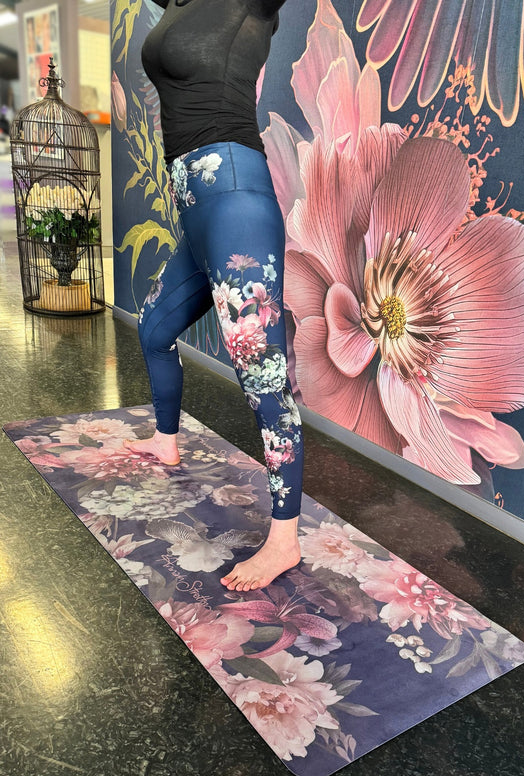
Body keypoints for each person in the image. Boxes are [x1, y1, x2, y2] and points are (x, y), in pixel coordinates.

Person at [125, 0, 303, 593]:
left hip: (233, 199)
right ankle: (166, 441)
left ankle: (285, 540)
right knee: (154, 329)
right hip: (198, 204)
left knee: (262, 373)